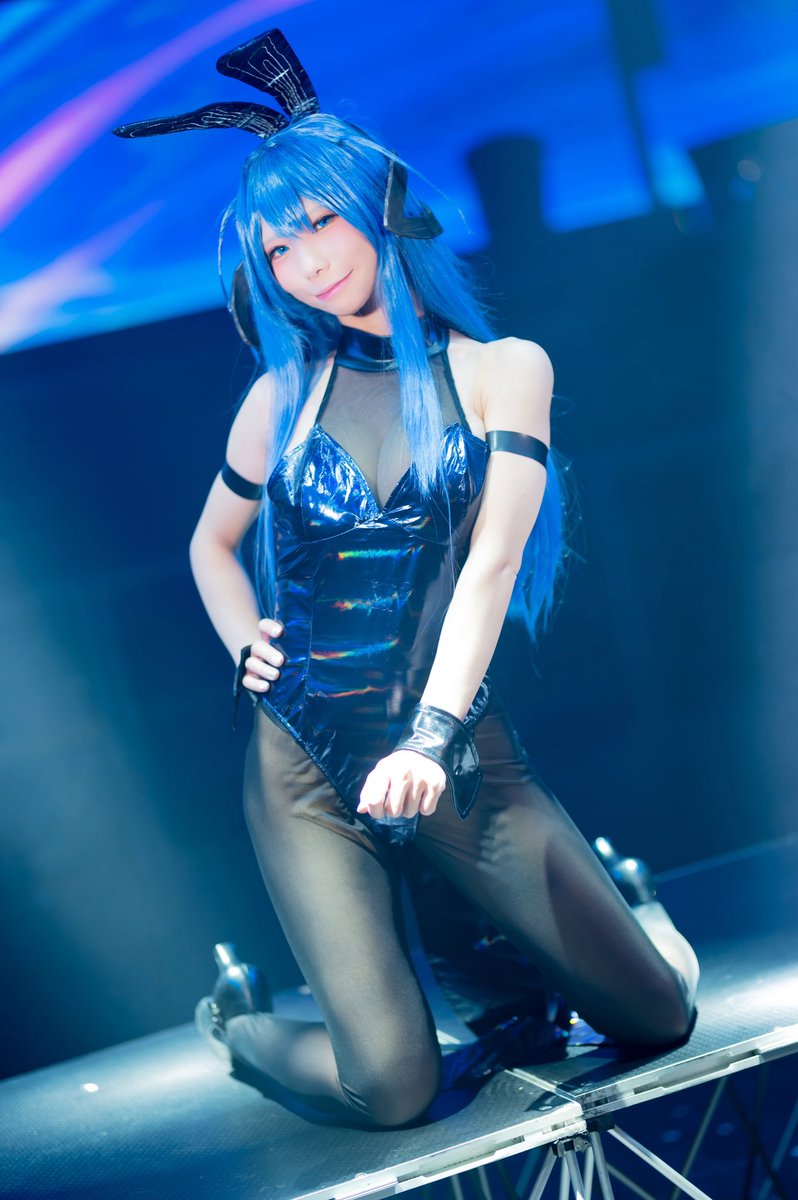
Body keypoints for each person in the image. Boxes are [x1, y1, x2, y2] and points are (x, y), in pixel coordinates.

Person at [114, 29, 699, 1130]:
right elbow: (207, 545)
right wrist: (243, 639)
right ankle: (236, 1025)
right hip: (304, 769)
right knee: (390, 1087)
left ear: (376, 207)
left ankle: (637, 911)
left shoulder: (503, 371)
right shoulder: (278, 400)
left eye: (320, 223)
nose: (307, 262)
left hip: (457, 757)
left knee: (659, 1018)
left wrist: (429, 741)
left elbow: (491, 567)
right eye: (279, 248)